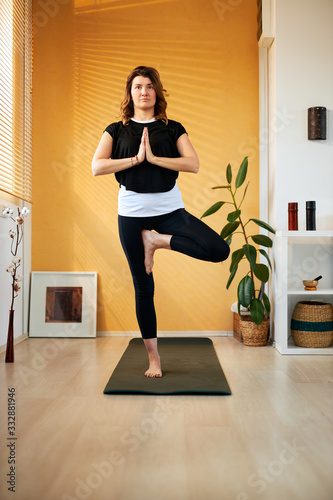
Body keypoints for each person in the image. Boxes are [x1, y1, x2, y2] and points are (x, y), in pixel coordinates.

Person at [92, 66, 230, 378]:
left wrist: (154, 159)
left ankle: (157, 241)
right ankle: (154, 360)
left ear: (158, 92)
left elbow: (192, 163)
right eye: (138, 86)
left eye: (150, 86)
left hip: (169, 210)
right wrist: (135, 160)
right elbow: (97, 166)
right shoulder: (117, 129)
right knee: (144, 285)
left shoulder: (173, 128)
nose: (144, 92)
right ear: (130, 93)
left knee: (218, 249)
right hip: (131, 213)